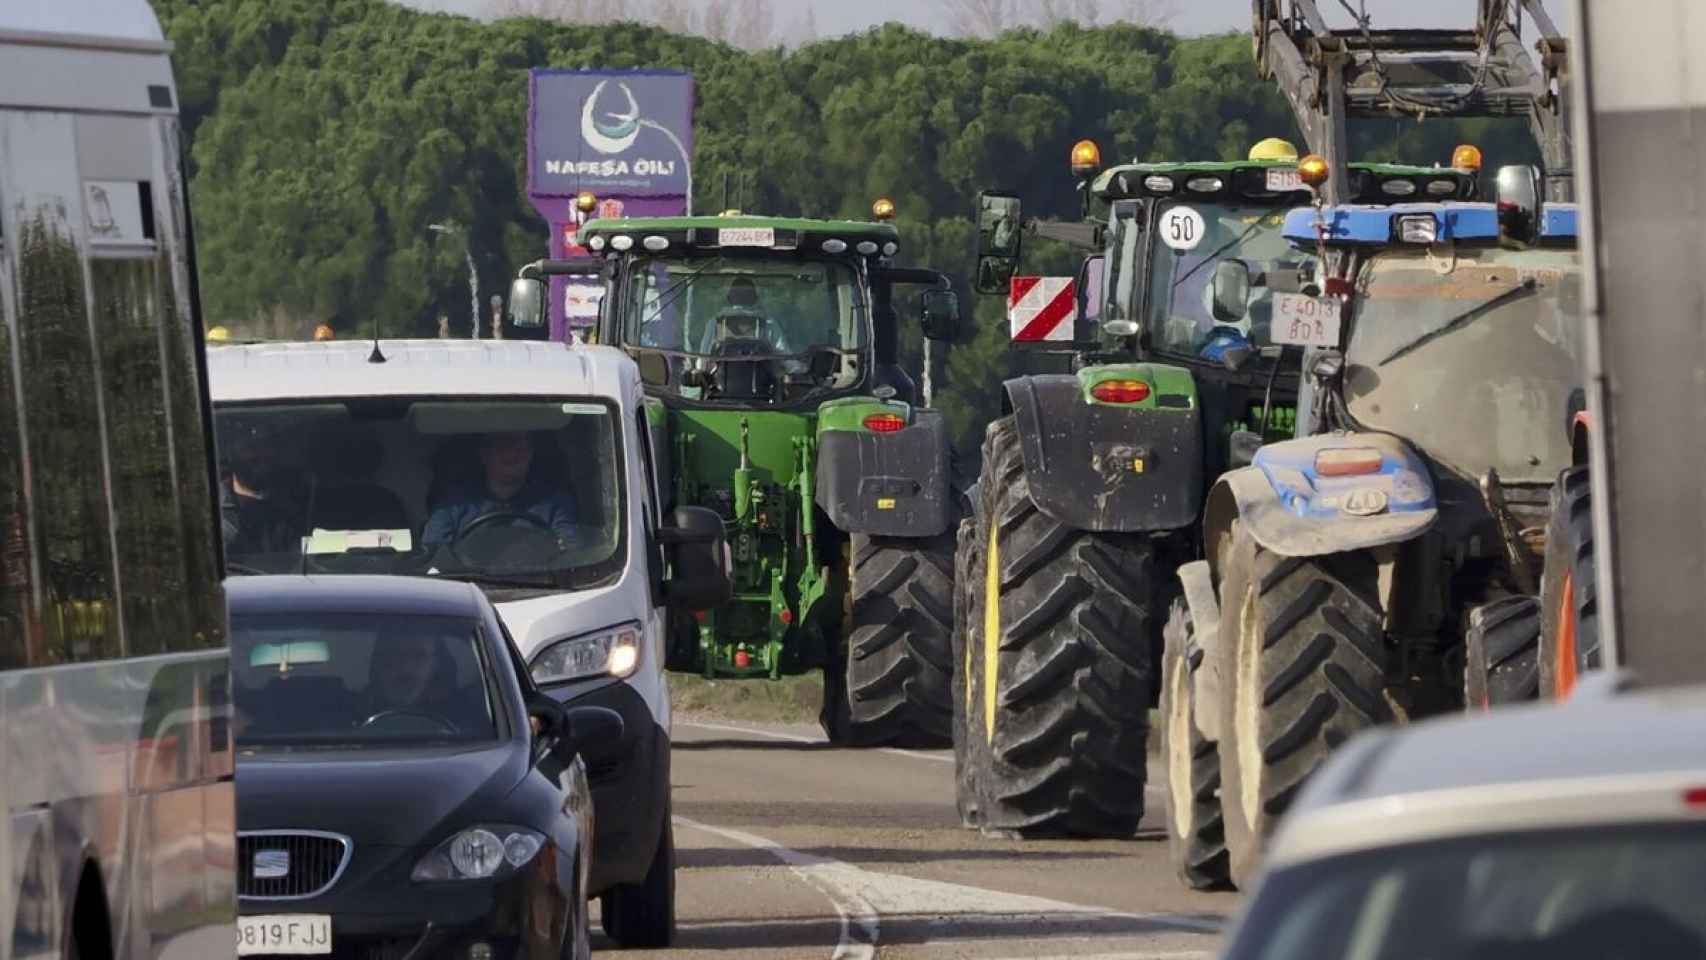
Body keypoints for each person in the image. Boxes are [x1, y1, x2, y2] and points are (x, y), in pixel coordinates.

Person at [419, 431, 577, 554]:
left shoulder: (555, 504)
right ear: (484, 453)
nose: (512, 453)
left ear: (531, 453)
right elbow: (433, 557)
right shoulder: (451, 505)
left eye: (521, 445)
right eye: (503, 445)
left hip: (546, 589)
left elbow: (572, 552)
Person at [220, 422, 309, 561]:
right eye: (250, 447)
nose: (259, 455)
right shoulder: (209, 509)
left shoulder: (302, 503)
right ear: (231, 453)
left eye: (266, 446)